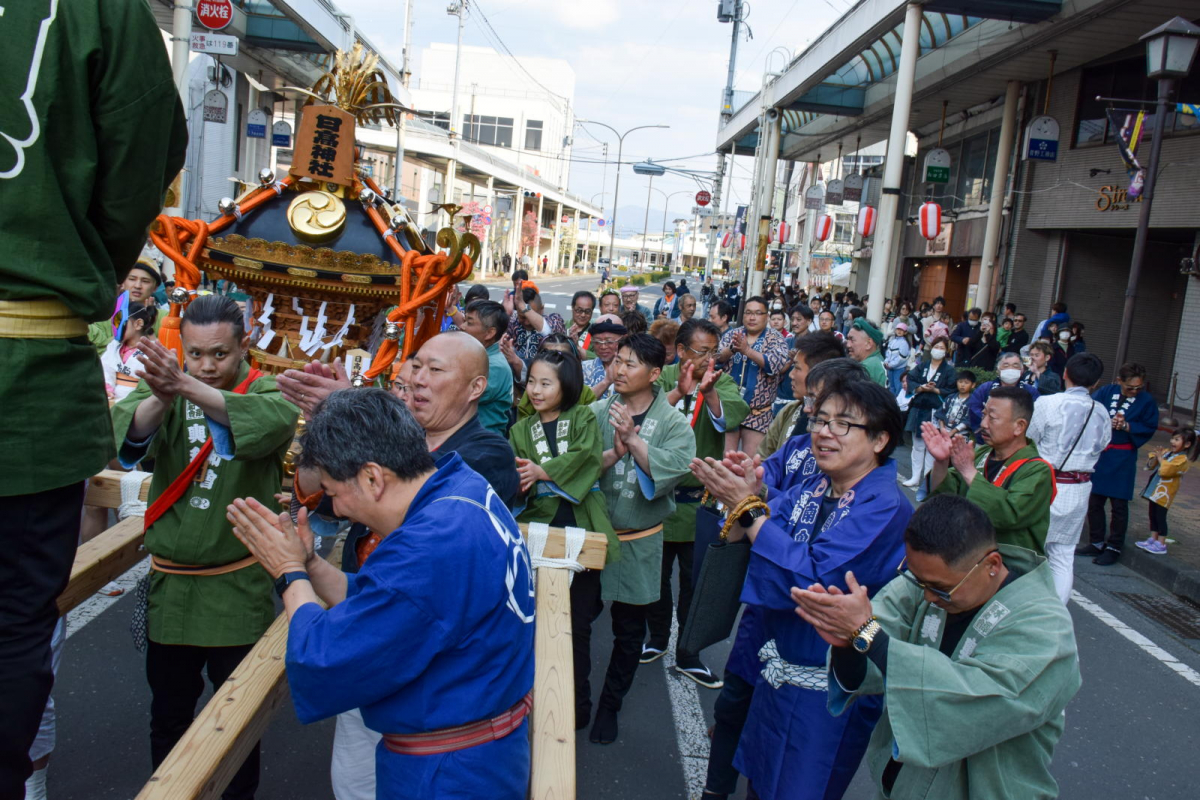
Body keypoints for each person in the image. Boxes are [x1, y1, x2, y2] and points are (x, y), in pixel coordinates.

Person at [0, 3, 186, 790]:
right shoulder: (100, 10)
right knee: (12, 622)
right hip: (26, 364)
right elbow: (140, 166)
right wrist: (79, 263)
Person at [228, 389, 535, 800]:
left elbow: (323, 655)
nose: (335, 510)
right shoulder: (461, 488)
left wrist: (288, 573)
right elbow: (394, 602)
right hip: (486, 748)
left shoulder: (427, 546)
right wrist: (313, 565)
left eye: (334, 493)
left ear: (373, 477)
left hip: (447, 774)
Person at [111, 295, 298, 798]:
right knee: (168, 716)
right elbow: (128, 435)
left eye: (219, 354)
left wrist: (184, 384)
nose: (207, 365)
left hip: (236, 586)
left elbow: (268, 426)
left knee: (235, 720)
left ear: (244, 345)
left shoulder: (270, 390)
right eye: (194, 354)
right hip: (172, 588)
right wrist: (165, 394)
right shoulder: (169, 390)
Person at [691, 380, 911, 800]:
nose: (824, 432)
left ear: (881, 439)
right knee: (760, 779)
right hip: (778, 666)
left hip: (827, 683)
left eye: (844, 424)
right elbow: (749, 530)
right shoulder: (814, 488)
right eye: (820, 420)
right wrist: (738, 492)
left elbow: (813, 577)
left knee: (801, 787)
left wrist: (749, 508)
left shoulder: (885, 505)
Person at [796, 494, 1081, 800]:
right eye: (920, 583)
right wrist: (848, 644)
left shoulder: (1046, 628)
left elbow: (977, 704)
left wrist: (868, 635)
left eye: (942, 589)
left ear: (992, 565)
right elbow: (873, 650)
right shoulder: (925, 582)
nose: (929, 597)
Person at [583, 334, 696, 744]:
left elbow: (676, 470)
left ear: (653, 374)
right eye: (619, 362)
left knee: (629, 633)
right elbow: (576, 468)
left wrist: (633, 440)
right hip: (593, 538)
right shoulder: (596, 411)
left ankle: (610, 706)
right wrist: (610, 453)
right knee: (576, 623)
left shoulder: (673, 423)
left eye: (630, 364)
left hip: (639, 539)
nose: (620, 369)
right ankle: (578, 698)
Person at [645, 319, 749, 688]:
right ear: (682, 350)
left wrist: (712, 394)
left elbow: (734, 416)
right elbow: (644, 418)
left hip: (696, 503)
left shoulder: (723, 381)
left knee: (695, 581)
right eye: (701, 351)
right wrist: (677, 391)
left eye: (713, 350)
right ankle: (656, 638)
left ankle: (689, 652)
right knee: (654, 578)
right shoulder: (660, 377)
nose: (709, 358)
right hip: (656, 498)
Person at [926, 386, 1054, 553]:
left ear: (1019, 426)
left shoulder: (1037, 470)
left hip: (1009, 566)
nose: (983, 423)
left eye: (992, 418)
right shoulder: (982, 453)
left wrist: (968, 471)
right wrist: (942, 462)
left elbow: (1008, 514)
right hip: (967, 555)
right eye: (984, 414)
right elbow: (947, 495)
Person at [1029, 353, 1111, 603]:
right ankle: (1057, 613)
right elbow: (1104, 444)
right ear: (1096, 383)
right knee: (1063, 556)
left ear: (1065, 373)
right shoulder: (1102, 411)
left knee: (1029, 550)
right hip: (1079, 487)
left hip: (1045, 484)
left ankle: (1025, 607)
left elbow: (1029, 439)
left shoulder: (1047, 403)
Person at [407, 333, 520, 506]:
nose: (417, 379)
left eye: (435, 369)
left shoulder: (491, 453)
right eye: (416, 366)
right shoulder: (409, 437)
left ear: (475, 388)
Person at [1081, 363, 1159, 566]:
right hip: (1102, 453)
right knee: (1095, 500)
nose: (1134, 391)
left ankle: (1114, 546)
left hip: (1123, 456)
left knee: (1119, 504)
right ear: (1119, 381)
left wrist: (1127, 426)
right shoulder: (1106, 392)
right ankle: (1096, 541)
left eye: (1138, 388)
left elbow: (1150, 426)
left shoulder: (1146, 401)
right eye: (1130, 387)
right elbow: (1090, 411)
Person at [716, 296, 790, 456]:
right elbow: (717, 358)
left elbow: (775, 365)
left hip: (758, 412)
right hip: (729, 407)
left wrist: (747, 351)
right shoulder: (732, 334)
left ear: (766, 317)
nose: (752, 317)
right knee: (723, 460)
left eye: (757, 313)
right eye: (748, 313)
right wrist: (734, 348)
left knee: (751, 463)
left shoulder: (776, 338)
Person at [758, 333, 849, 460]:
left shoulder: (842, 424)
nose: (791, 375)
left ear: (817, 373)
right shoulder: (789, 411)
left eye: (797, 368)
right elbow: (764, 459)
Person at [902, 337, 958, 499]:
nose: (938, 349)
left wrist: (936, 390)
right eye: (936, 346)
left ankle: (928, 477)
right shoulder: (923, 366)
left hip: (936, 410)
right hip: (920, 407)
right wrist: (921, 387)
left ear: (946, 351)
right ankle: (915, 476)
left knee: (931, 447)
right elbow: (911, 379)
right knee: (918, 445)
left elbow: (951, 388)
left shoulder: (949, 370)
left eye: (942, 347)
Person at [1137, 429, 1196, 555]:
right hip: (1154, 490)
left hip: (1165, 494)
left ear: (1187, 444)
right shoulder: (1168, 453)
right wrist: (1156, 457)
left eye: (1176, 439)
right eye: (1172, 438)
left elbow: (1165, 471)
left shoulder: (1182, 460)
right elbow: (1151, 464)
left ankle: (1161, 543)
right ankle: (1153, 538)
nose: (1172, 442)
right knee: (1152, 514)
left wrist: (1159, 458)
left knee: (1160, 516)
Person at [460, 299, 514, 435]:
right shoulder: (476, 355)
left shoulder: (495, 366)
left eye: (469, 323)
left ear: (489, 333)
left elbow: (460, 396)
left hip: (482, 441)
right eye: (464, 320)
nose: (462, 327)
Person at [100, 299, 159, 401]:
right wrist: (107, 389)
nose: (115, 328)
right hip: (112, 398)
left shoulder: (153, 350)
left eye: (120, 323)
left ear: (138, 324)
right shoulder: (114, 346)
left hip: (139, 401)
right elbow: (105, 368)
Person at [966, 352, 1040, 432]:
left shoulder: (1030, 391)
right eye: (1006, 365)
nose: (1010, 369)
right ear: (998, 370)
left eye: (1015, 365)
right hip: (987, 435)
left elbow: (1037, 414)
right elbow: (973, 408)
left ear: (1022, 370)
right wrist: (992, 421)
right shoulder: (985, 388)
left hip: (1018, 436)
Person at [505, 287, 566, 371]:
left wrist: (524, 307)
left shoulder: (554, 320)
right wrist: (505, 314)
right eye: (523, 317)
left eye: (530, 316)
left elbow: (550, 332)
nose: (527, 322)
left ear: (542, 309)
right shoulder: (513, 323)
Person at [581, 315, 626, 399]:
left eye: (609, 341)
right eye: (597, 342)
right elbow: (580, 403)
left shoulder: (632, 370)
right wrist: (606, 381)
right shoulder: (583, 368)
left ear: (623, 339)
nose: (603, 347)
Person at [845, 317, 888, 387]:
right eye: (847, 339)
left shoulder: (867, 366)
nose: (848, 345)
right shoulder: (876, 361)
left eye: (852, 340)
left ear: (869, 343)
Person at [883, 321, 912, 394]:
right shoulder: (892, 341)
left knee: (898, 387)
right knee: (891, 387)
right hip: (890, 368)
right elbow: (888, 353)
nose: (899, 331)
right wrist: (886, 362)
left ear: (905, 332)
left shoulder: (904, 343)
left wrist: (891, 365)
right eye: (898, 329)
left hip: (899, 369)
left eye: (901, 330)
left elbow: (902, 358)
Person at [567, 290, 597, 354]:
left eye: (587, 311)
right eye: (579, 310)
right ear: (572, 308)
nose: (583, 315)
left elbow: (597, 357)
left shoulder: (596, 333)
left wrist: (577, 347)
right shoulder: (561, 326)